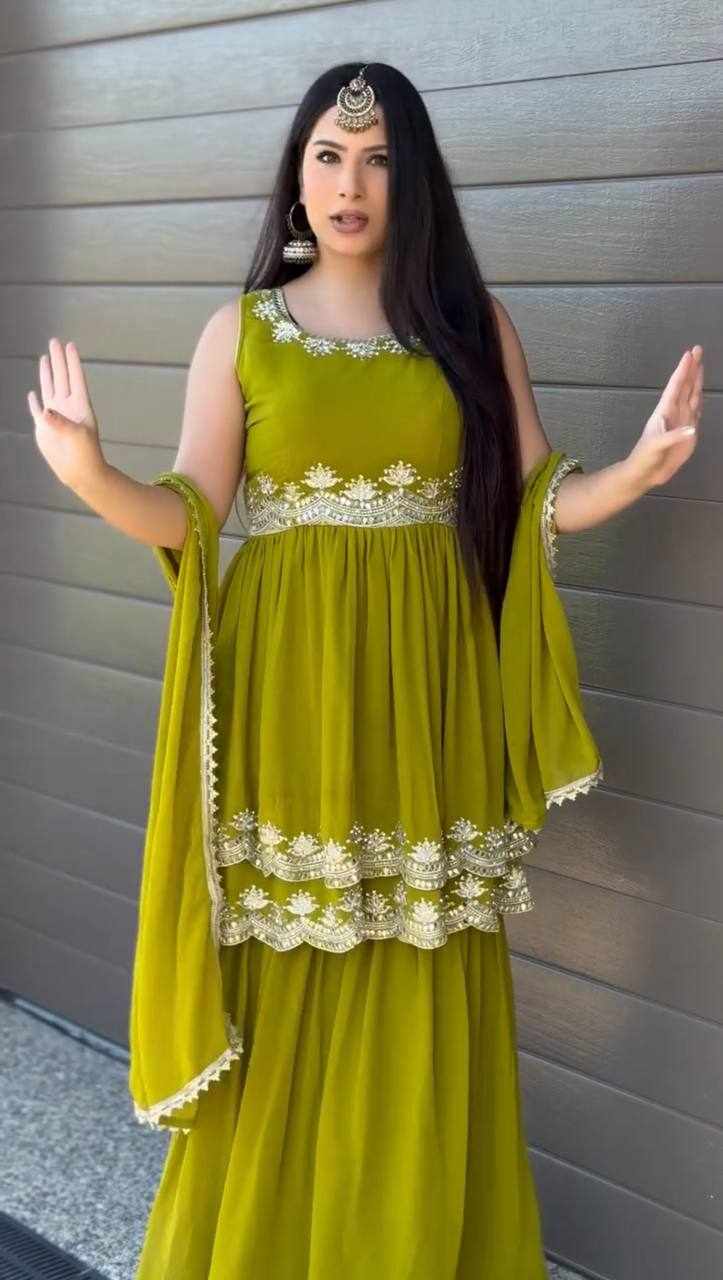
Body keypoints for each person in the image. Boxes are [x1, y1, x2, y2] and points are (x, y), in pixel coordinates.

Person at [27, 60, 703, 1280]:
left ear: (414, 178)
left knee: (419, 958)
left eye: (380, 157)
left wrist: (641, 469)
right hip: (290, 701)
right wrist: (88, 475)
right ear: (297, 174)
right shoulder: (242, 332)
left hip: (427, 703)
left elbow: (538, 499)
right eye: (330, 155)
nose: (352, 182)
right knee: (292, 964)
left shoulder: (469, 325)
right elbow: (192, 514)